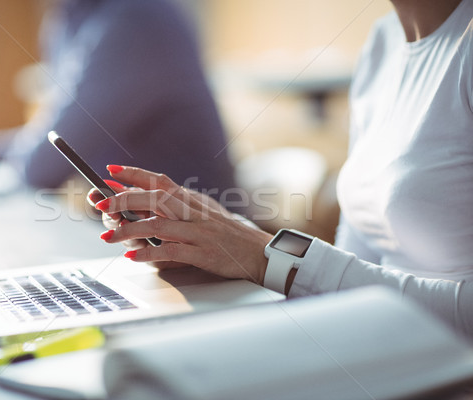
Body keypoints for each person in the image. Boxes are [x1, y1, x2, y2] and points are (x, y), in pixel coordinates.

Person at [88, 0, 473, 339]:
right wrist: (220, 244)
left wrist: (265, 256)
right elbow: (355, 271)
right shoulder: (383, 43)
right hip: (381, 349)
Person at [6, 0, 236, 195]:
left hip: (191, 232)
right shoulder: (71, 17)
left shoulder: (138, 18)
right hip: (130, 228)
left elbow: (44, 167)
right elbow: (56, 130)